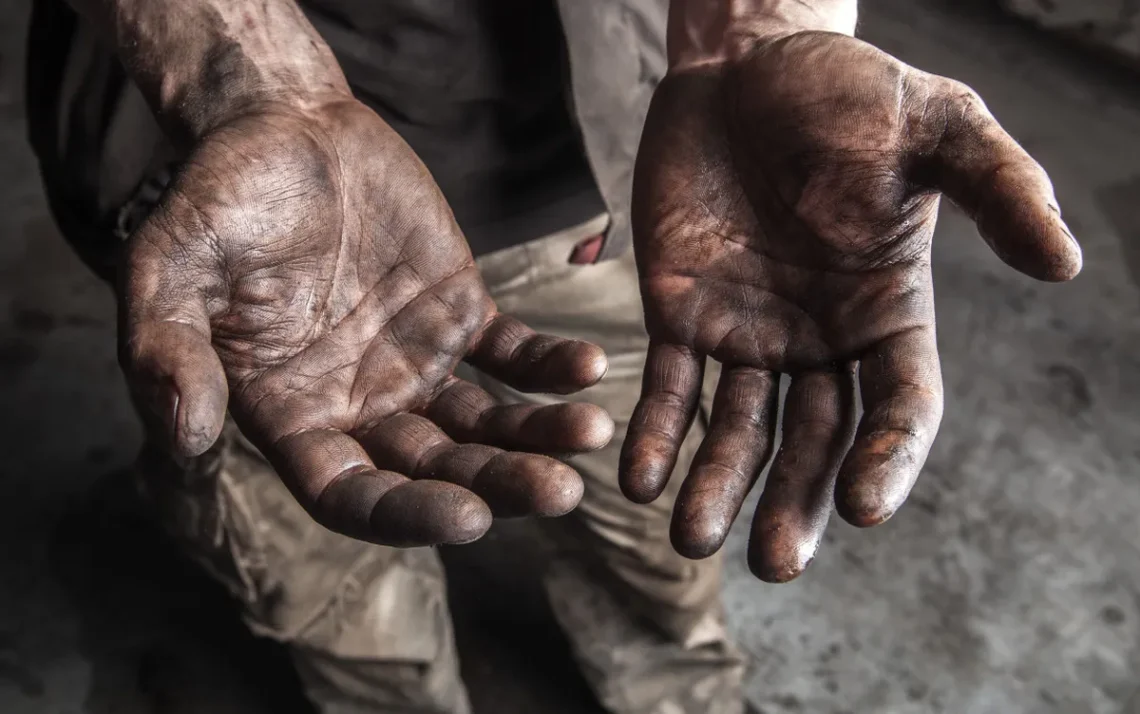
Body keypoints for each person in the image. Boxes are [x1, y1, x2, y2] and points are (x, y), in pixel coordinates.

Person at [25, 0, 1083, 712]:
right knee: (335, 583)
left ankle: (674, 689)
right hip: (236, 214)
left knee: (661, 531)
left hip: (605, 182)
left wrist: (754, 35)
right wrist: (251, 83)